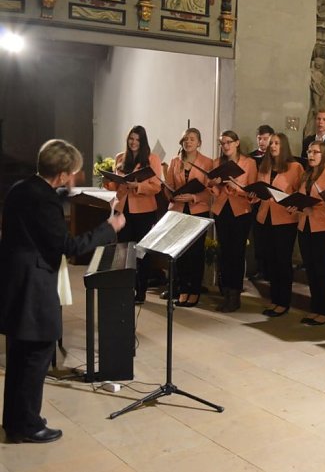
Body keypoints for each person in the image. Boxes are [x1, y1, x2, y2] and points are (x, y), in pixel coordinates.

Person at [1, 139, 125, 444]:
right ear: (63, 174)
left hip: (15, 280)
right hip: (33, 284)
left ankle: (17, 419)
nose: (75, 179)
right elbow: (67, 247)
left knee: (20, 354)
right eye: (74, 173)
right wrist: (110, 227)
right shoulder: (45, 199)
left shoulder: (22, 188)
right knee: (37, 353)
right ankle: (26, 427)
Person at [103, 125, 163, 303]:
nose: (134, 142)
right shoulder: (120, 157)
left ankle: (141, 290)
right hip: (122, 209)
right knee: (123, 251)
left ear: (143, 141)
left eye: (137, 139)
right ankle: (125, 289)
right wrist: (109, 181)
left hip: (143, 211)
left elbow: (157, 187)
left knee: (141, 252)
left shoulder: (153, 159)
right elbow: (115, 186)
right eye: (131, 138)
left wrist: (138, 186)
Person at [290, 140, 325, 325]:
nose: (311, 155)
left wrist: (316, 210)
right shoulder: (306, 175)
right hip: (305, 226)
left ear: (324, 155)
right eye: (309, 151)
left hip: (323, 228)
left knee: (321, 270)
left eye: (315, 152)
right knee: (310, 269)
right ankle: (315, 308)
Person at [209, 130, 258, 312]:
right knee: (224, 250)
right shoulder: (217, 163)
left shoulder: (249, 163)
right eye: (222, 143)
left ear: (237, 143)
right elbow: (213, 192)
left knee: (236, 252)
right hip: (222, 209)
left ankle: (235, 294)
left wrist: (236, 187)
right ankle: (226, 291)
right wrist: (214, 185)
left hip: (241, 210)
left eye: (229, 142)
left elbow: (253, 191)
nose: (226, 146)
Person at [255, 133, 303, 317]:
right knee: (271, 261)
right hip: (264, 217)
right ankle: (274, 299)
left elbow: (300, 193)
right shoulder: (265, 166)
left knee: (283, 261)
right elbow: (261, 189)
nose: (273, 145)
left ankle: (283, 302)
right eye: (271, 143)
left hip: (284, 220)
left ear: (284, 146)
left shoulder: (295, 167)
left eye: (277, 143)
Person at [164, 128, 213, 307]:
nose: (188, 142)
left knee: (196, 252)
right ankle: (183, 289)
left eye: (192, 139)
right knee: (181, 252)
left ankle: (194, 291)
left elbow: (211, 190)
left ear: (199, 143)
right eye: (185, 139)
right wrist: (171, 195)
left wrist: (194, 197)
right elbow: (168, 186)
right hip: (178, 210)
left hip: (198, 210)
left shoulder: (208, 163)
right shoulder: (175, 161)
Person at [248, 124, 275, 283]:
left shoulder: (275, 157)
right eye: (259, 138)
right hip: (256, 201)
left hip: (272, 202)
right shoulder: (251, 157)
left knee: (271, 238)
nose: (262, 142)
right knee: (258, 237)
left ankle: (271, 270)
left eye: (265, 139)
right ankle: (260, 268)